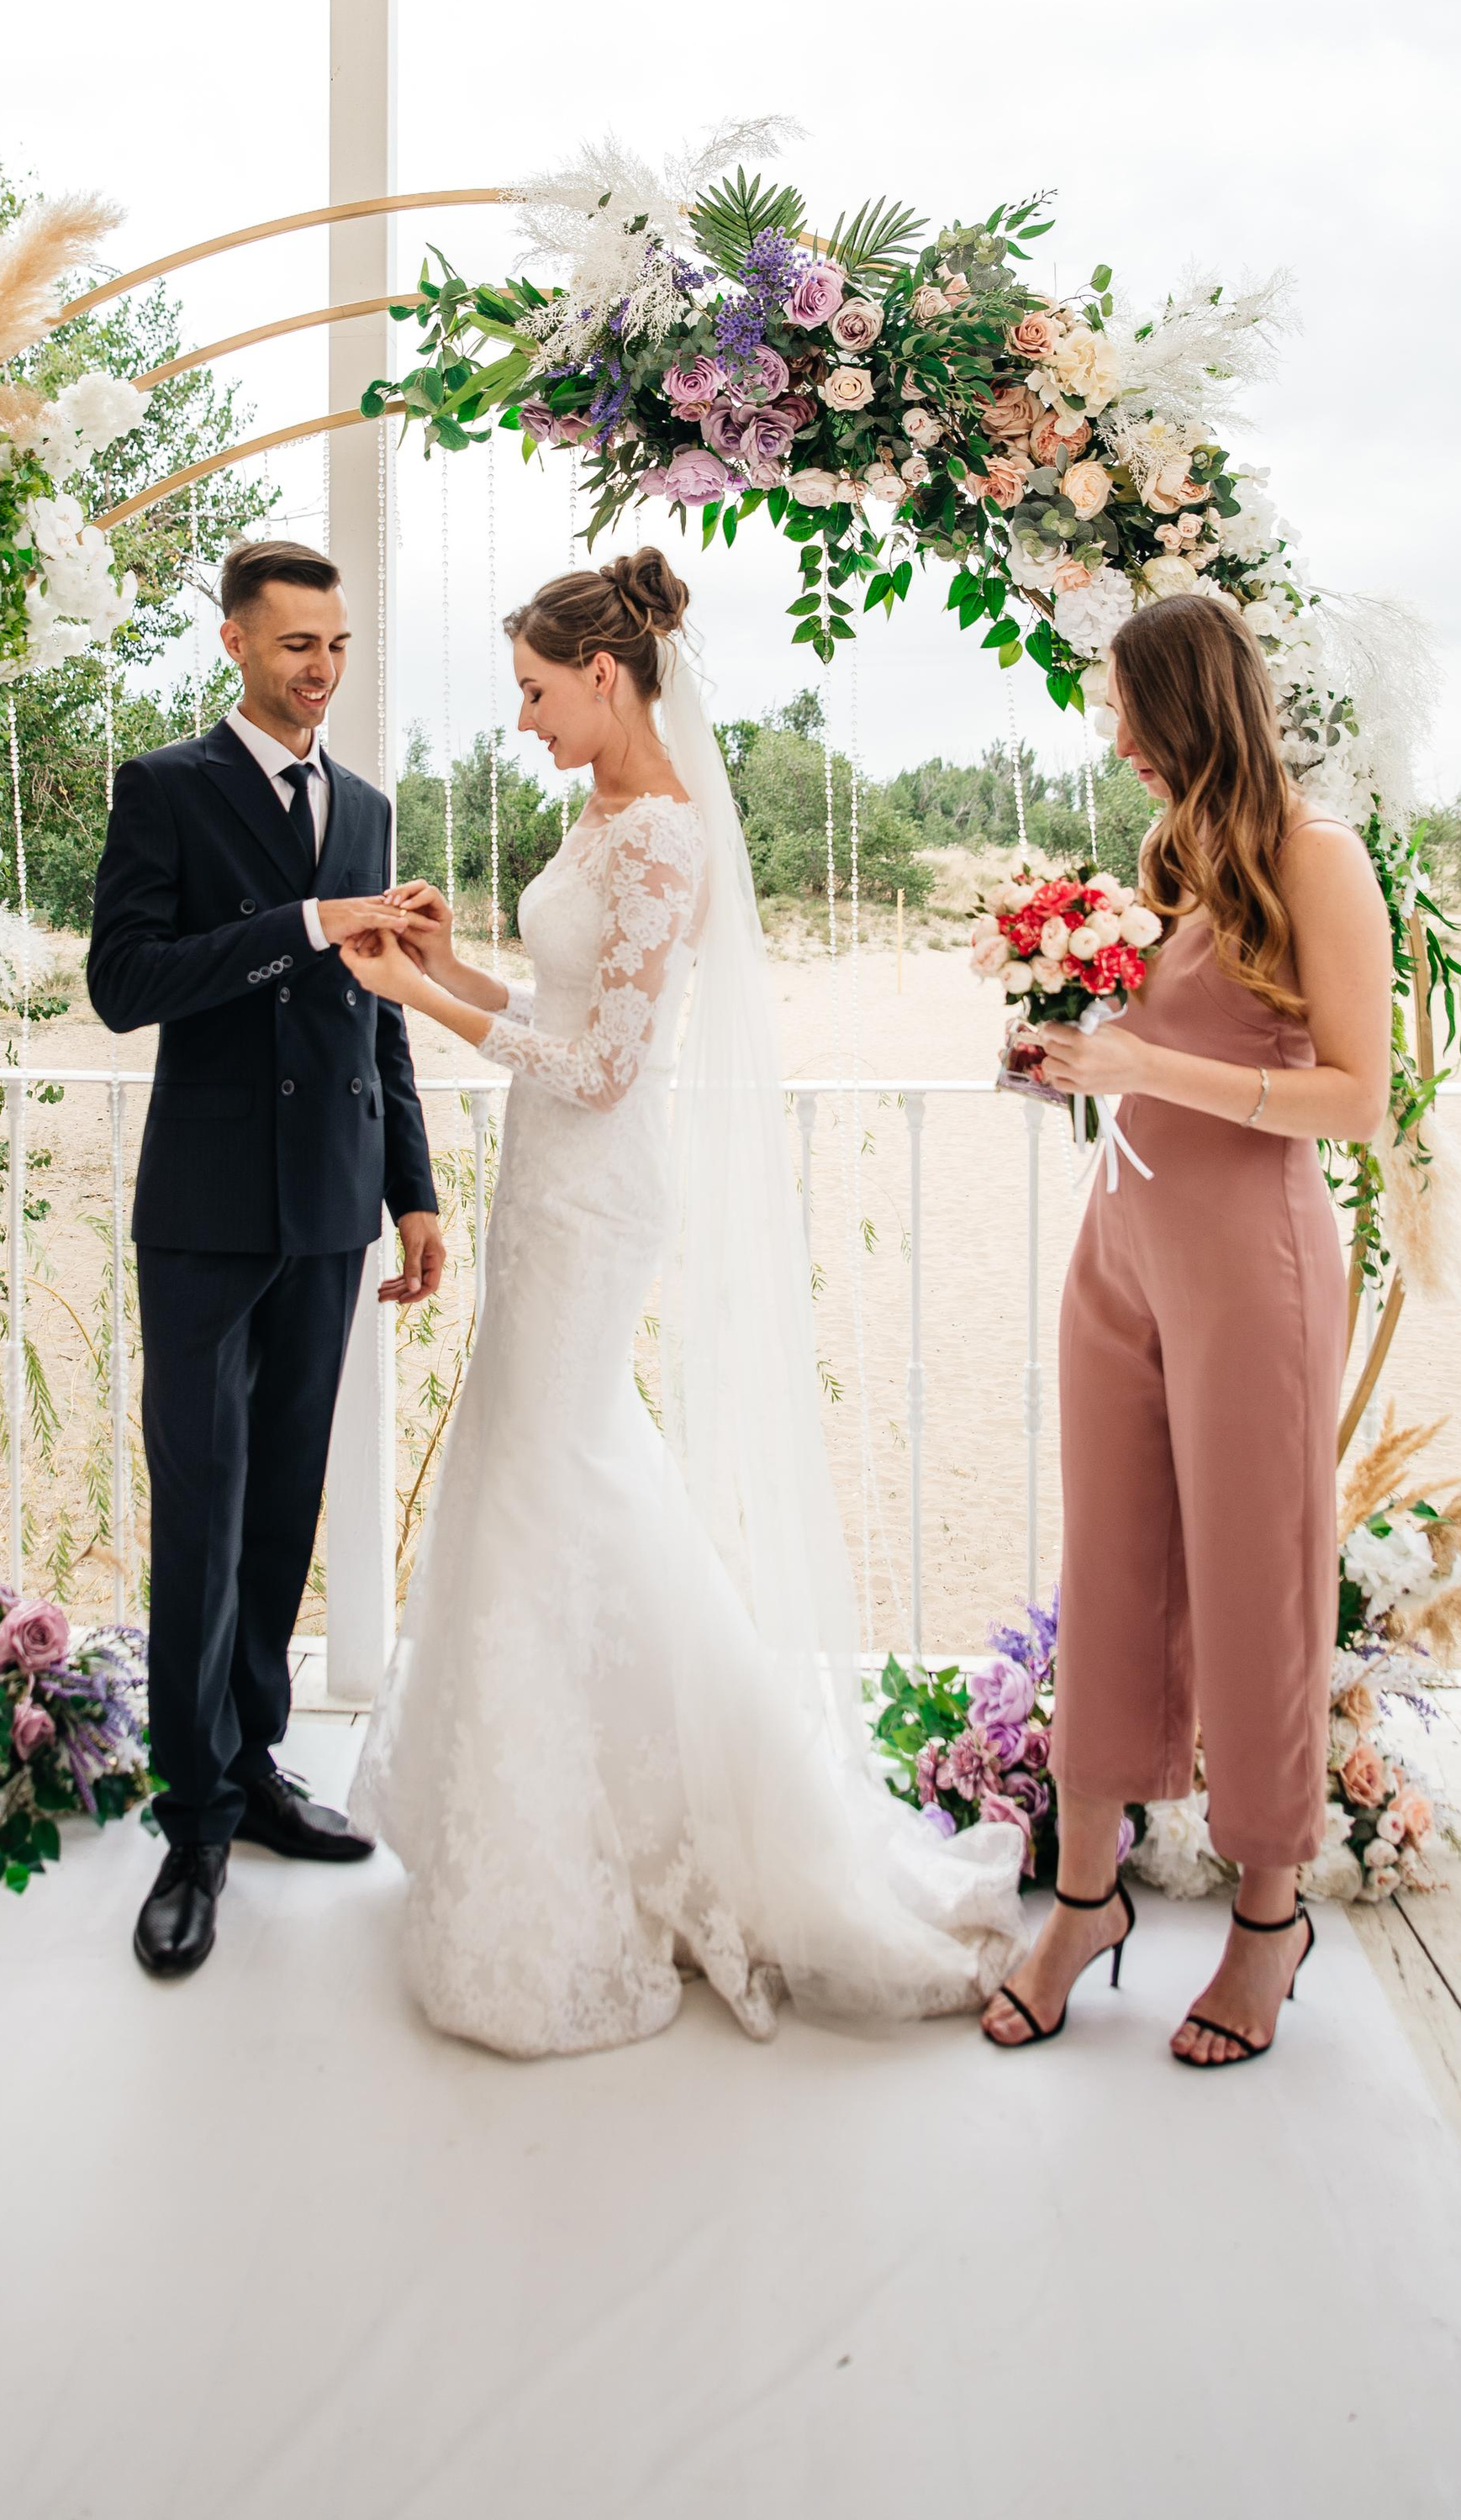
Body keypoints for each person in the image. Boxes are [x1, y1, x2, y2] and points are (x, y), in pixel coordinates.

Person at [335, 550, 1024, 2059]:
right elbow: (565, 1017)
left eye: (531, 690)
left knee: (549, 1480)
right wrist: (455, 964)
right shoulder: (601, 817)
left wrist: (421, 1003)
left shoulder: (666, 839)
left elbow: (607, 1071)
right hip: (546, 1191)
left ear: (608, 675)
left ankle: (683, 1831)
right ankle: (569, 1807)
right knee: (554, 1484)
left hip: (596, 1196)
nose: (520, 719)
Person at [983, 590, 1390, 2068]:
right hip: (1124, 1244)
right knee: (1110, 1567)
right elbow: (1156, 1055)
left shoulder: (1317, 859)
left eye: (1129, 715)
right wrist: (1070, 1057)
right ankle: (1086, 1897)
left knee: (1255, 1583)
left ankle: (1267, 1915)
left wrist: (1149, 1054)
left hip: (1252, 1263)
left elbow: (1359, 1098)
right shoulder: (1173, 858)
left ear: (1188, 704)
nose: (1118, 743)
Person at [87, 539, 444, 1980]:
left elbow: (388, 1013)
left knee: (285, 1502)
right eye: (299, 642)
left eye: (340, 644)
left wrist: (413, 1191)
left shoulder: (362, 806)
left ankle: (261, 1766)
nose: (323, 668)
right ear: (235, 642)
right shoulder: (164, 789)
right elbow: (125, 985)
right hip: (203, 1213)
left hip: (332, 1214)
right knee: (205, 1513)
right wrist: (299, 923)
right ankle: (192, 1821)